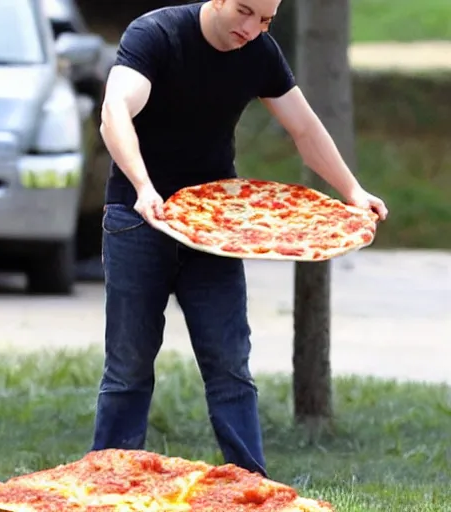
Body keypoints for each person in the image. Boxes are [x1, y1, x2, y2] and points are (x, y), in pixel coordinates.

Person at [91, 0, 388, 477]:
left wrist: (352, 191)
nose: (252, 29)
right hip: (137, 218)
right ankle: (102, 485)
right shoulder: (156, 35)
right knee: (128, 367)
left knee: (230, 366)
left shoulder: (260, 54)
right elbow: (114, 113)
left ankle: (253, 489)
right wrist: (144, 187)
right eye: (245, 12)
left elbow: (305, 128)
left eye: (267, 20)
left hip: (215, 226)